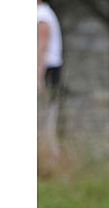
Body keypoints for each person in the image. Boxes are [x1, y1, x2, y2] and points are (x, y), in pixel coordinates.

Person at [37, 1, 64, 159]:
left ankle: (49, 160)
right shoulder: (44, 13)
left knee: (45, 119)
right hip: (48, 70)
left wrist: (37, 77)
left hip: (47, 71)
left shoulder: (42, 15)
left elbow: (42, 46)